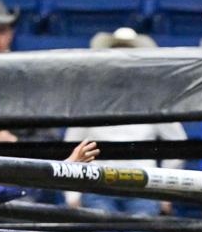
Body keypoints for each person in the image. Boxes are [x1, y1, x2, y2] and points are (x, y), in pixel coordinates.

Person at [64, 28, 187, 217]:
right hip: (99, 185)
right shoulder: (91, 98)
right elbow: (72, 145)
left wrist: (165, 191)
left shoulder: (153, 98)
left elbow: (178, 145)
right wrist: (72, 194)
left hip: (143, 185)